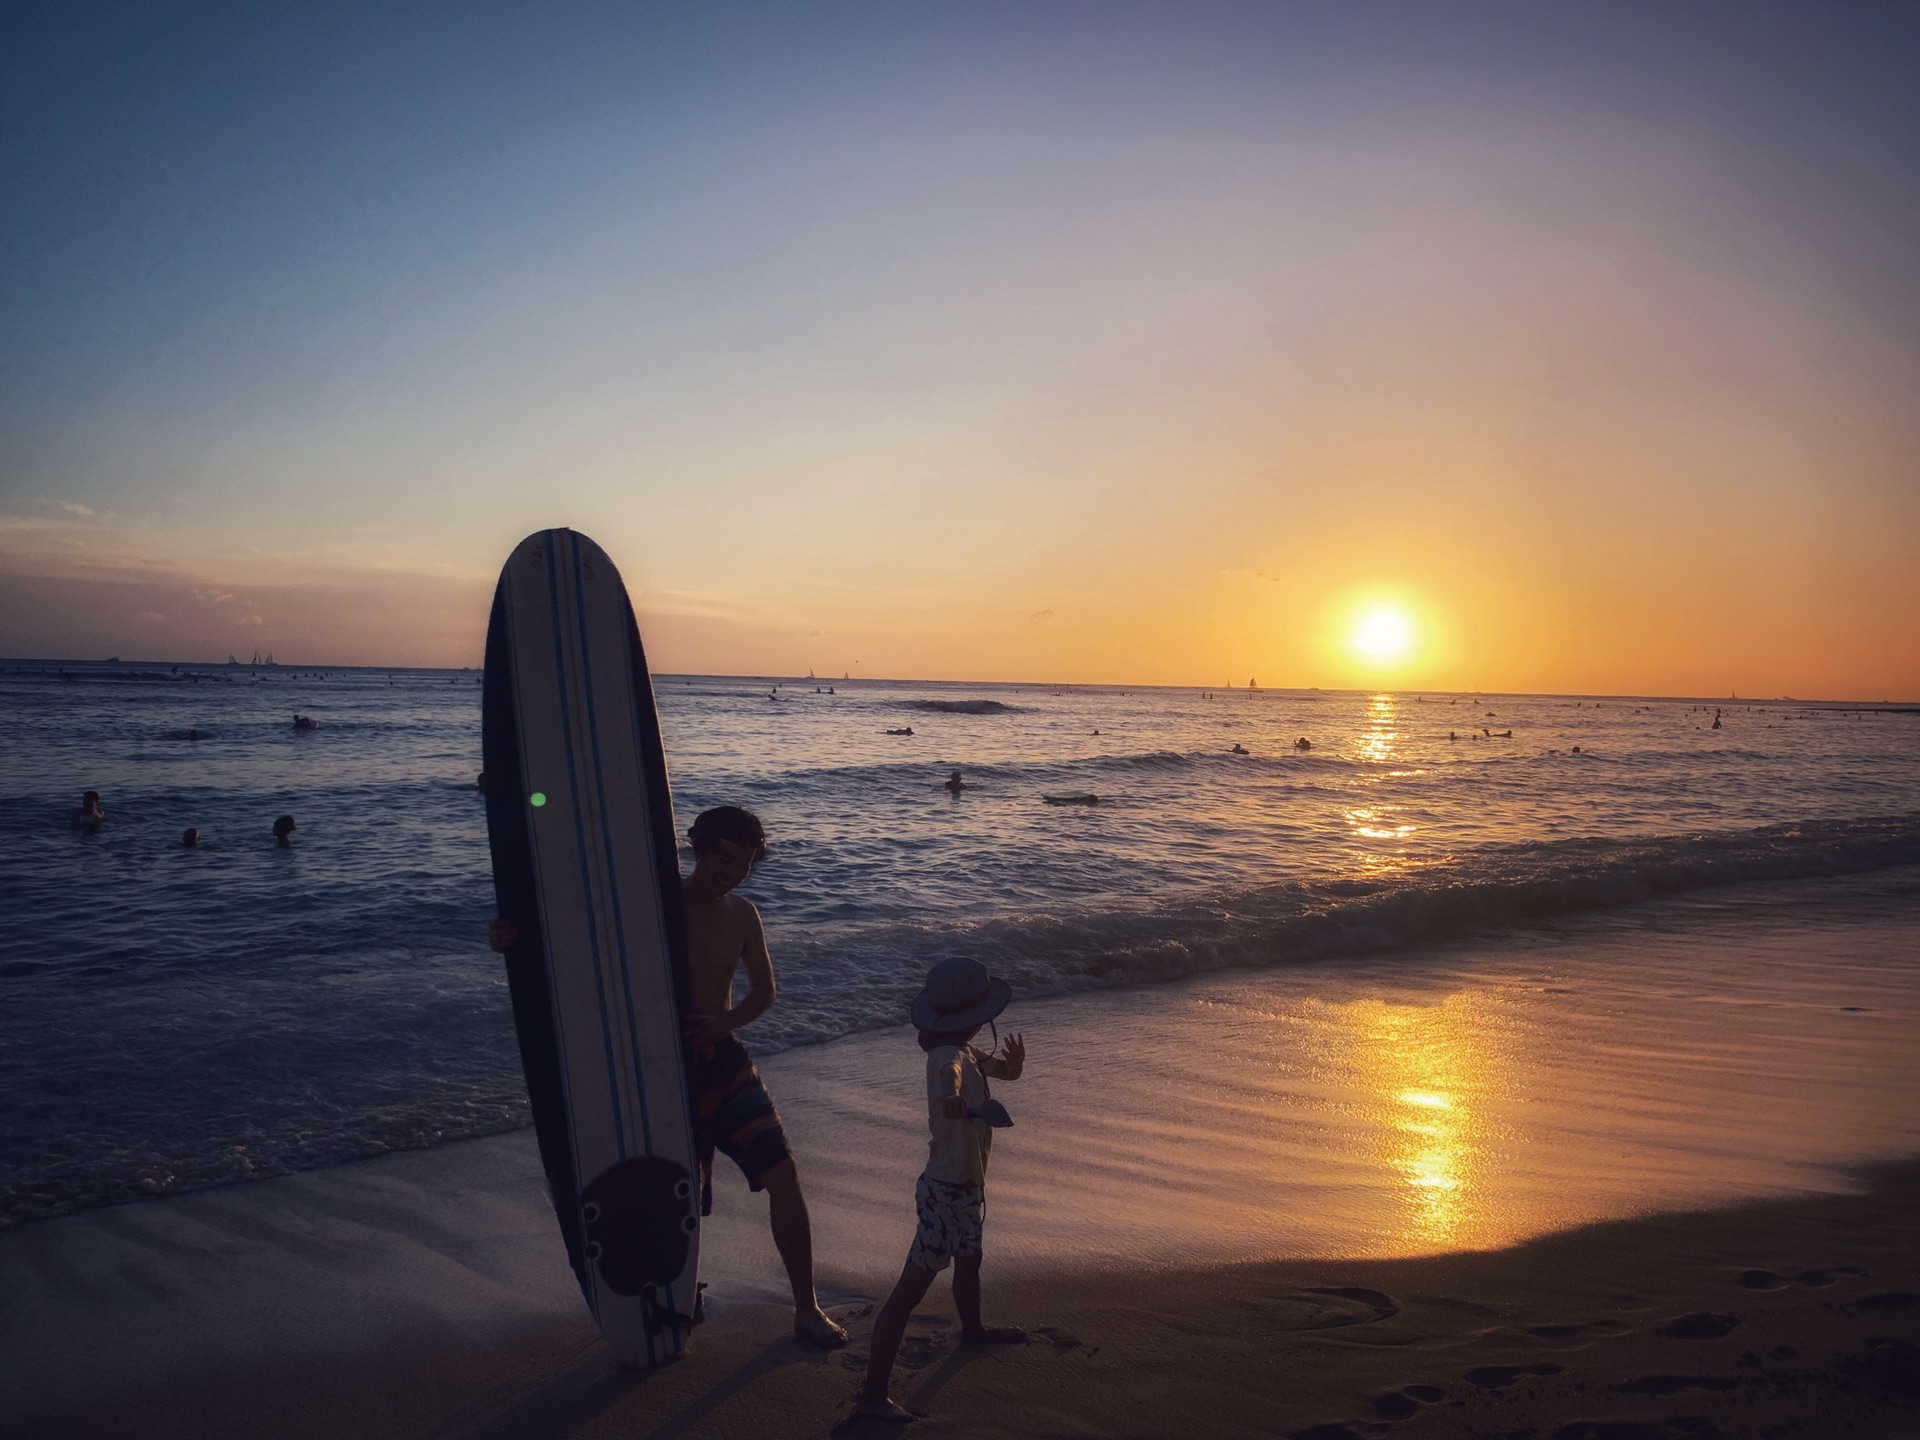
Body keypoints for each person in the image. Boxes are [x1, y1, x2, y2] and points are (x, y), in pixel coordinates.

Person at [677, 807, 848, 1347]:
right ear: (699, 848)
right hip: (663, 1066)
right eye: (722, 857)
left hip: (723, 1060)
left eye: (743, 863)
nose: (730, 870)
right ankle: (679, 1291)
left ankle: (806, 1307)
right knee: (676, 1190)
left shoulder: (743, 914)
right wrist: (510, 936)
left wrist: (722, 1025)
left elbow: (764, 991)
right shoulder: (656, 903)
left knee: (784, 1174)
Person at [857, 958, 1028, 1421]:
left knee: (970, 1260)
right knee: (910, 1289)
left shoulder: (969, 1051)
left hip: (967, 1188)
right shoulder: (946, 1056)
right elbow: (947, 1075)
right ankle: (872, 1397)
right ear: (977, 1018)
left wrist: (1013, 1066)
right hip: (945, 1192)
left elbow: (999, 1073)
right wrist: (953, 1098)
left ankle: (972, 1330)